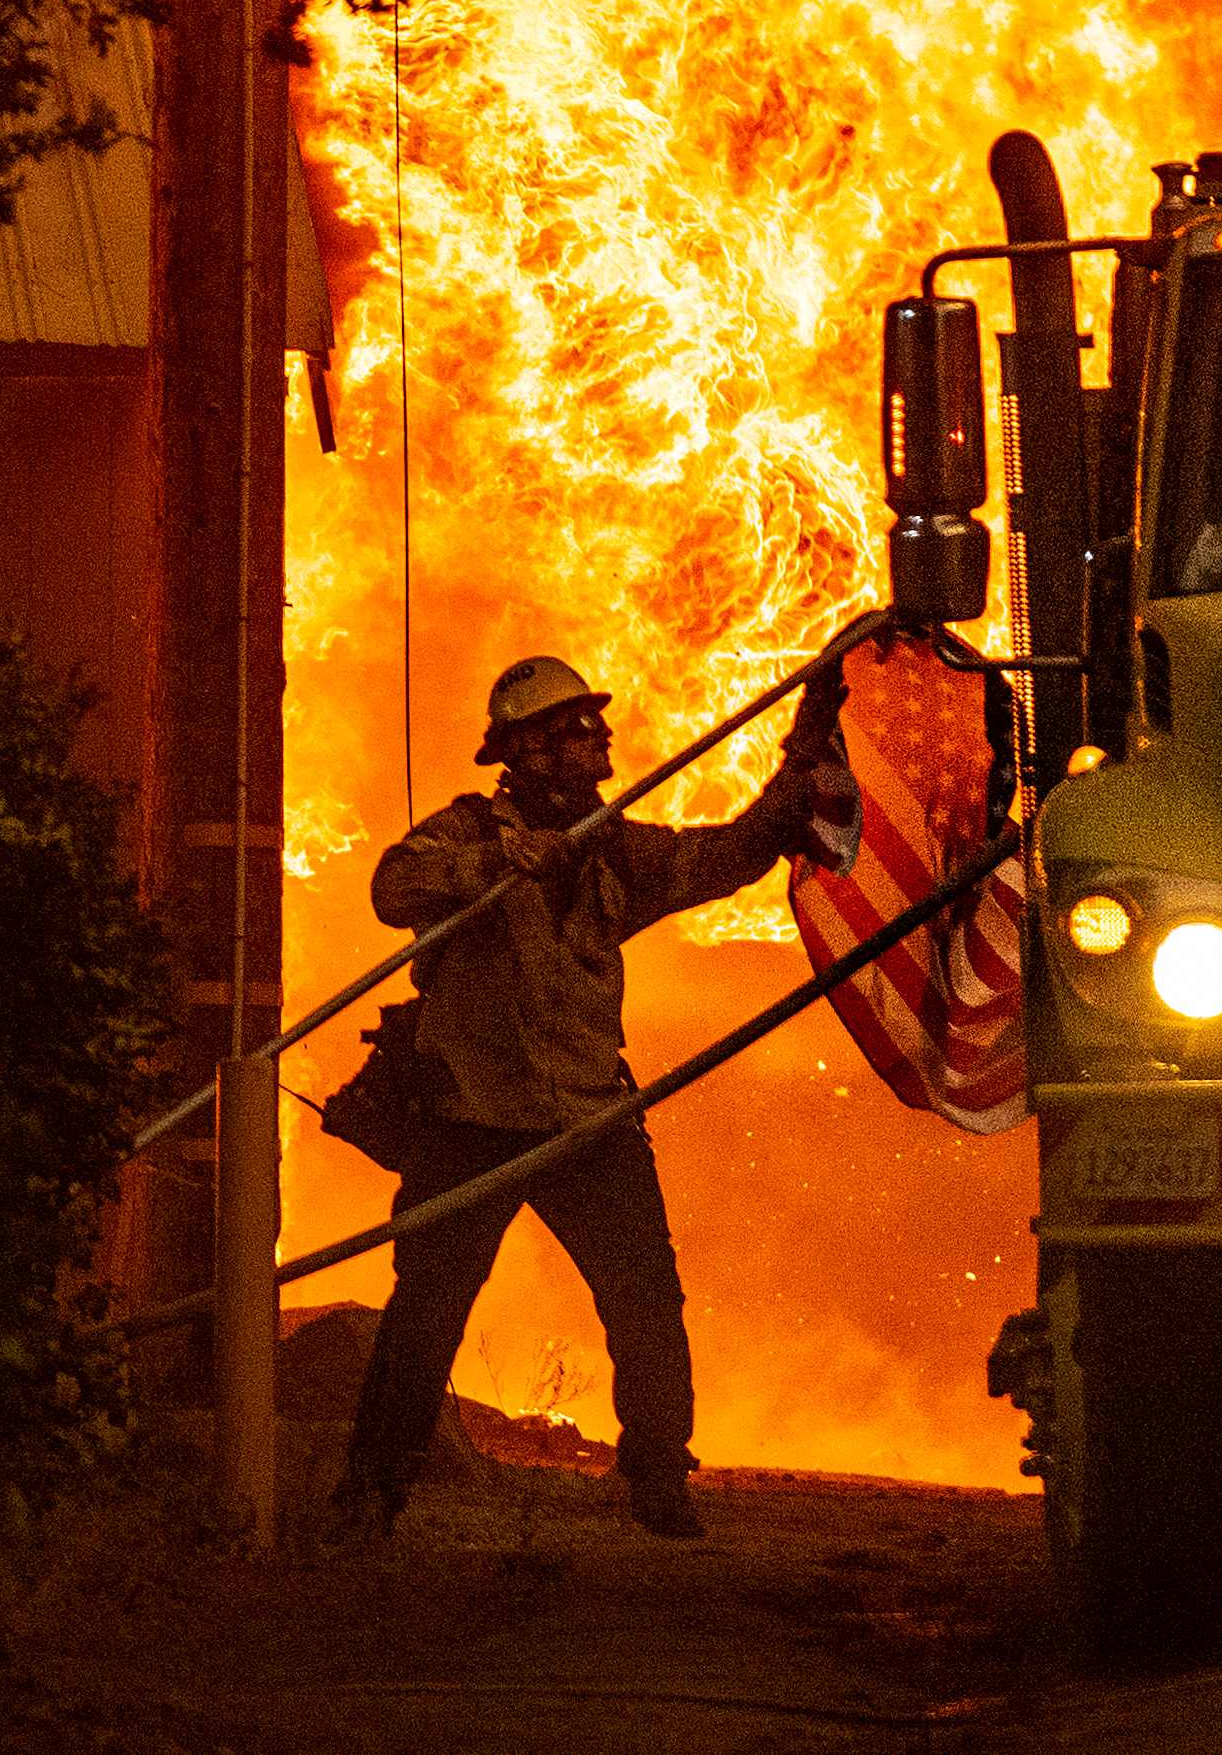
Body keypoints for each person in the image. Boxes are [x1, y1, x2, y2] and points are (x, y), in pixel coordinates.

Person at [329, 650, 857, 1540]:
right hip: (471, 1118)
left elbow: (725, 856)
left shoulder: (614, 853)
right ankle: (369, 1496)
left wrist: (800, 759)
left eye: (594, 726)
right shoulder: (462, 834)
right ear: (527, 753)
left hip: (588, 1117)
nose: (599, 738)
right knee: (426, 1312)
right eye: (576, 730)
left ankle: (657, 1478)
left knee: (646, 1300)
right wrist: (496, 863)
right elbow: (392, 886)